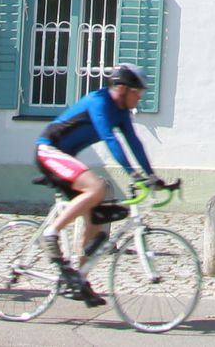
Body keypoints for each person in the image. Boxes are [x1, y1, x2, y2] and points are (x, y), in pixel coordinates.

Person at [34, 64, 158, 303]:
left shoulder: (121, 113)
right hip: (48, 151)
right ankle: (51, 233)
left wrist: (152, 176)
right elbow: (111, 140)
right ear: (122, 88)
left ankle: (77, 278)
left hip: (66, 159)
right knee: (97, 187)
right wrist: (134, 175)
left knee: (96, 217)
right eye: (137, 91)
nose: (140, 96)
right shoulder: (98, 101)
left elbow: (134, 143)